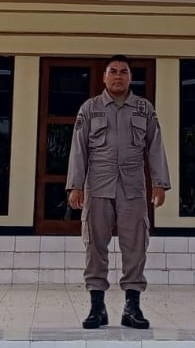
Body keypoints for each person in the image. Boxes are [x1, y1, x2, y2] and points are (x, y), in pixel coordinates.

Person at [67, 55, 170, 330]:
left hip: (133, 187)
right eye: (113, 71)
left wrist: (159, 182)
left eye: (123, 72)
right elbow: (79, 149)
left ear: (130, 77)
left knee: (136, 245)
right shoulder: (89, 109)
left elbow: (156, 147)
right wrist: (75, 185)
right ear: (104, 77)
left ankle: (132, 307)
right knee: (94, 245)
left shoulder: (144, 109)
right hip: (98, 186)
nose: (118, 76)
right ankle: (97, 307)